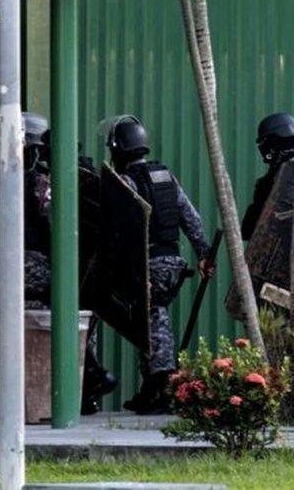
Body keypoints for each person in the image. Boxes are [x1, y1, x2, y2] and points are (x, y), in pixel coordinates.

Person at [102, 115, 215, 414]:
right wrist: (204, 253)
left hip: (148, 264)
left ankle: (163, 383)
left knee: (147, 316)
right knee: (151, 318)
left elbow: (115, 230)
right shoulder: (166, 177)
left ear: (118, 149)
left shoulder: (124, 183)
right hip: (173, 265)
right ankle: (153, 387)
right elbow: (191, 218)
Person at [242, 112, 294, 241]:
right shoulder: (271, 179)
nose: (263, 150)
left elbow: (249, 229)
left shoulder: (283, 176)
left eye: (265, 143)